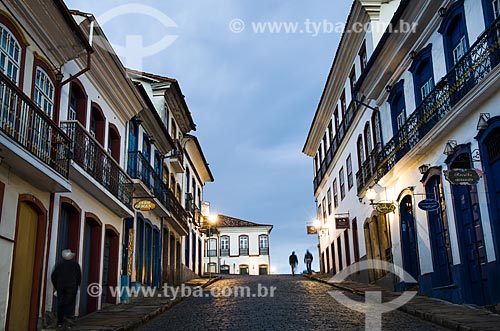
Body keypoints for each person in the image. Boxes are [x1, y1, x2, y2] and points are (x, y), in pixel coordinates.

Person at [51, 249, 81, 328]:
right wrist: (77, 285)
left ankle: (59, 322)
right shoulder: (75, 265)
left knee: (61, 304)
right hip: (71, 287)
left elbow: (53, 276)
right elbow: (79, 276)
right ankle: (68, 322)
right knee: (69, 304)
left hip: (60, 287)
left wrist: (56, 286)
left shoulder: (59, 265)